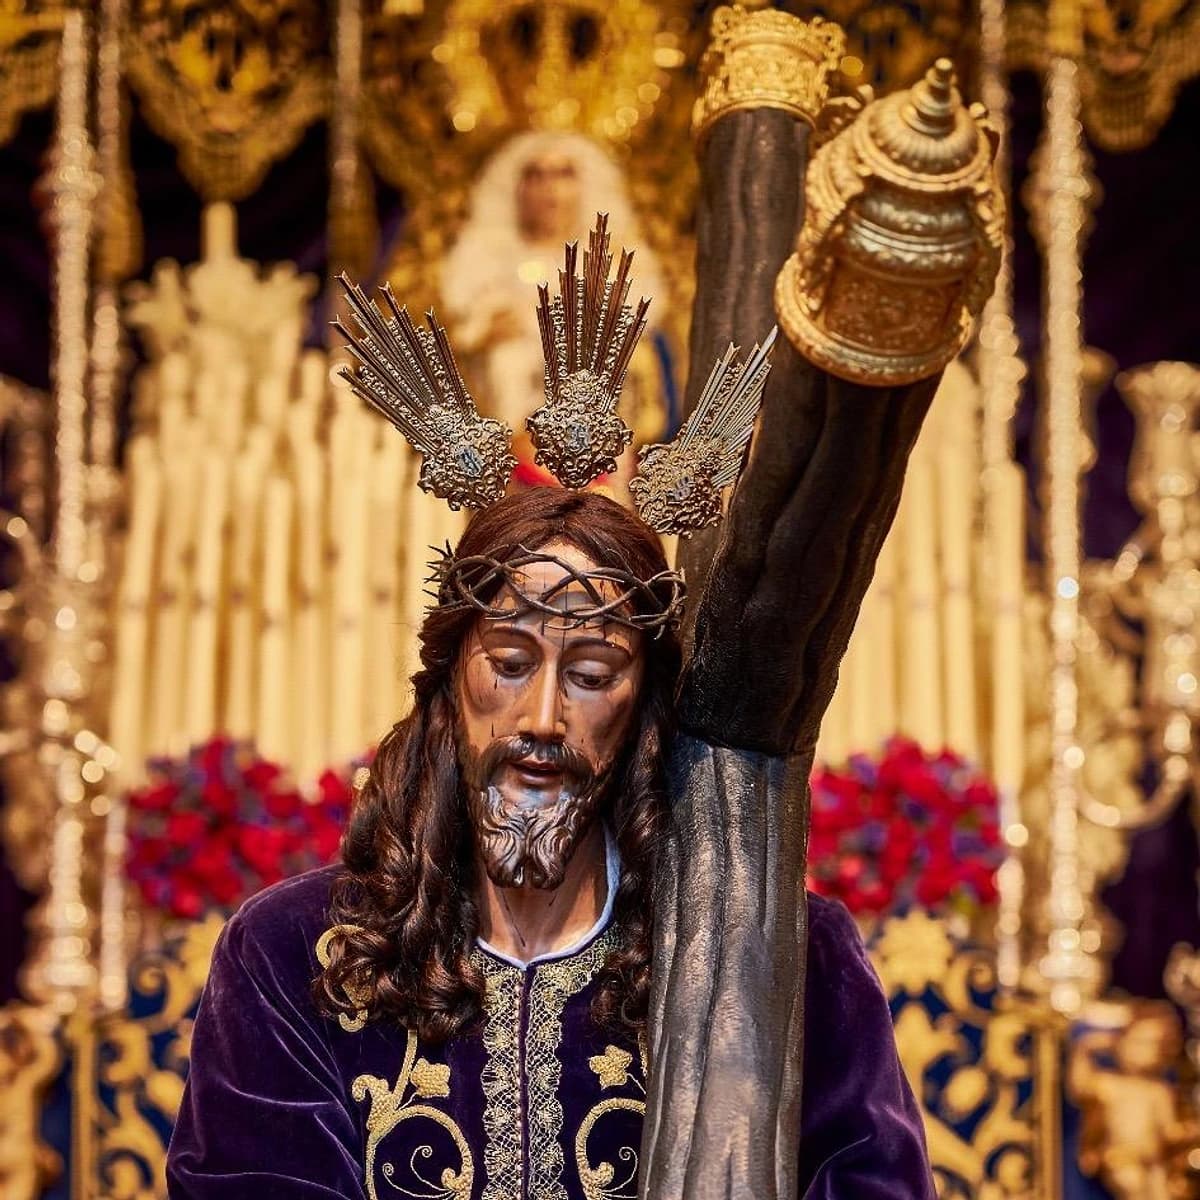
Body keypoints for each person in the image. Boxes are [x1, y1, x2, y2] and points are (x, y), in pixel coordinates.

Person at [166, 487, 934, 1200]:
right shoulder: (297, 951)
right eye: (508, 663)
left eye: (593, 674)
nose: (541, 716)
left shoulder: (778, 954)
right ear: (449, 680)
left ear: (642, 708)